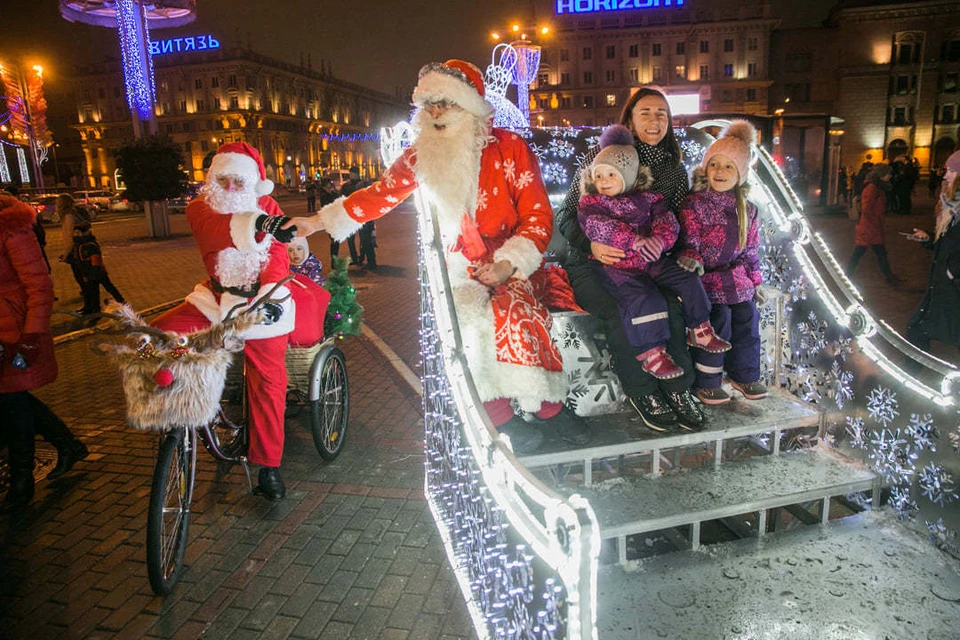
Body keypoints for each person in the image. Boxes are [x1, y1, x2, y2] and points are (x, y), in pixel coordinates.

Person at [293, 59, 589, 454]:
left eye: (446, 103)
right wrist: (316, 222)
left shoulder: (509, 148)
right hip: (457, 266)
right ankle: (498, 415)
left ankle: (548, 408)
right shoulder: (421, 155)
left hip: (511, 259)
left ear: (469, 107)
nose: (435, 113)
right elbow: (380, 194)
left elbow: (537, 216)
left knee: (517, 312)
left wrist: (506, 263)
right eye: (429, 104)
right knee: (467, 320)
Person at [151, 142, 300, 501]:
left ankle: (268, 466)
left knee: (267, 382)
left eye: (238, 182)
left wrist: (267, 297)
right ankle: (184, 400)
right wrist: (260, 224)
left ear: (252, 183)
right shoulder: (201, 207)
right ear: (212, 181)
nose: (231, 189)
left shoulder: (267, 204)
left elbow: (278, 256)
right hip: (217, 299)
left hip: (261, 302)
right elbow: (215, 229)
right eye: (223, 181)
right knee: (157, 336)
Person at [555, 86, 705, 432]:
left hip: (644, 263)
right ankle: (644, 392)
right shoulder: (603, 157)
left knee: (671, 302)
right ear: (630, 119)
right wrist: (590, 245)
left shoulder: (672, 171)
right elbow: (566, 216)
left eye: (661, 114)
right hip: (592, 261)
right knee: (620, 308)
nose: (654, 120)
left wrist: (672, 248)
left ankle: (678, 389)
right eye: (645, 113)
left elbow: (678, 221)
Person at [576, 124, 731, 384]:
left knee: (687, 278)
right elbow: (597, 226)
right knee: (645, 298)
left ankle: (700, 328)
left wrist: (660, 240)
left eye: (611, 175)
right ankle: (652, 352)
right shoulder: (592, 203)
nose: (602, 182)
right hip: (618, 265)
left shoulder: (650, 199)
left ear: (627, 176)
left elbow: (667, 221)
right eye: (598, 175)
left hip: (652, 259)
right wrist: (633, 240)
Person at [0, 194, 88, 510]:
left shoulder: (11, 225)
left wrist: (31, 336)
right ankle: (68, 446)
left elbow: (39, 286)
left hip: (15, 329)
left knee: (12, 401)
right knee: (12, 398)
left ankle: (22, 481)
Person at [677, 121, 768, 404]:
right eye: (714, 164)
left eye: (729, 167)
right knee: (720, 320)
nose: (720, 172)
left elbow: (750, 251)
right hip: (706, 279)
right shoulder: (694, 203)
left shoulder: (748, 210)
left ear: (740, 173)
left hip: (736, 278)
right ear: (705, 168)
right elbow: (689, 241)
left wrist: (756, 282)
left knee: (747, 318)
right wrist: (690, 259)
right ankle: (708, 380)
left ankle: (744, 374)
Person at [905, 150, 960, 357]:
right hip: (940, 286)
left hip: (953, 288)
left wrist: (952, 271)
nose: (946, 176)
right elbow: (947, 242)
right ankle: (907, 382)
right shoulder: (951, 205)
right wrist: (928, 238)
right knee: (917, 330)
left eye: (952, 171)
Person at [845, 163, 902, 286]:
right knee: (861, 253)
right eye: (888, 174)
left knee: (878, 253)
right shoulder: (872, 189)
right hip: (869, 228)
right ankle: (846, 275)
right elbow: (867, 209)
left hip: (872, 227)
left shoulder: (876, 188)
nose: (890, 176)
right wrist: (876, 222)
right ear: (881, 175)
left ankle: (889, 278)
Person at [70, 219, 126, 314]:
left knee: (104, 288)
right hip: (89, 272)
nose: (76, 235)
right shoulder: (79, 245)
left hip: (96, 272)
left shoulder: (90, 245)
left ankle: (122, 304)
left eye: (78, 232)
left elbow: (96, 261)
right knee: (92, 291)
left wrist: (92, 274)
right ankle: (92, 309)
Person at [56, 194, 91, 301]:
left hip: (75, 250)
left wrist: (66, 253)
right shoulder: (74, 214)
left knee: (80, 275)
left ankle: (89, 299)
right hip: (80, 248)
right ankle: (89, 298)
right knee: (82, 274)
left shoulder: (68, 217)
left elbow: (69, 236)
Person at [338, 168, 364, 267]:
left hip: (361, 213)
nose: (352, 175)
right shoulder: (346, 186)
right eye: (351, 174)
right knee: (350, 239)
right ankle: (355, 258)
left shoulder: (363, 184)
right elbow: (341, 199)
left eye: (354, 174)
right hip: (349, 215)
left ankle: (362, 257)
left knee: (363, 237)